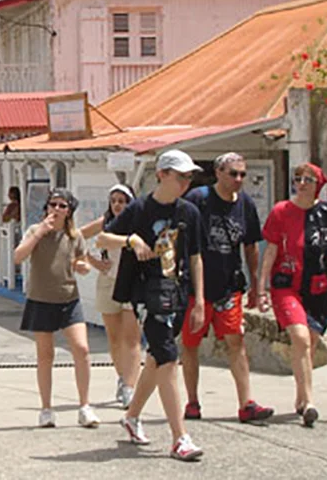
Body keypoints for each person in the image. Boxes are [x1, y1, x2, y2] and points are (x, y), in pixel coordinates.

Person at [97, 150, 207, 462]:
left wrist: (199, 299)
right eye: (180, 176)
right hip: (146, 292)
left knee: (158, 358)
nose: (186, 182)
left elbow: (196, 257)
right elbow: (104, 238)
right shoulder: (140, 209)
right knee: (169, 359)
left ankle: (131, 417)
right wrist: (131, 240)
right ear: (162, 174)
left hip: (177, 290)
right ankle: (179, 437)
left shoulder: (190, 213)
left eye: (189, 177)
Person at [256, 163, 327, 427]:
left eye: (308, 179)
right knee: (300, 338)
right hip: (287, 285)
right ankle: (309, 403)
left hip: (319, 288)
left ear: (318, 184)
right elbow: (270, 252)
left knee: (310, 344)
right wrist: (261, 288)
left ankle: (299, 397)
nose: (302, 183)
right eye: (298, 179)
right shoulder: (281, 211)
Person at [179, 153, 274, 423]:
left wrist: (256, 284)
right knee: (190, 343)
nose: (238, 179)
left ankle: (246, 403)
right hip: (195, 287)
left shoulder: (245, 204)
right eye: (233, 174)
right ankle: (192, 401)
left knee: (236, 341)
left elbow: (251, 245)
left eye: (242, 174)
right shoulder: (198, 199)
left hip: (229, 285)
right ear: (218, 172)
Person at [13, 188, 99, 429]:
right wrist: (39, 232)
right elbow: (18, 257)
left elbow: (81, 260)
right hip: (41, 299)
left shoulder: (74, 236)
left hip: (69, 299)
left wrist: (83, 267)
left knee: (81, 349)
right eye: (53, 204)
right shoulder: (35, 231)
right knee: (45, 355)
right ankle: (46, 409)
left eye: (62, 206)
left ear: (69, 211)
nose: (57, 209)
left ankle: (84, 406)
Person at [78, 184, 142, 409]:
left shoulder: (138, 224)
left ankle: (130, 387)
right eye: (114, 200)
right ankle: (123, 377)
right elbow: (77, 237)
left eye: (122, 201)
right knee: (114, 339)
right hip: (108, 282)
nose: (117, 205)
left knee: (132, 339)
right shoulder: (105, 223)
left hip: (133, 284)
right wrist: (93, 261)